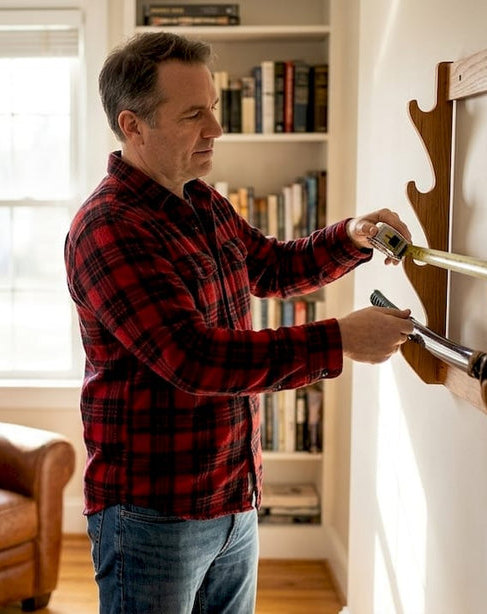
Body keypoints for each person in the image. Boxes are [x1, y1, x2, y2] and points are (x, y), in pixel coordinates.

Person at [64, 31, 415, 614]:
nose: (216, 130)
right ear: (133, 126)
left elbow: (274, 266)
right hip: (152, 514)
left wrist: (351, 237)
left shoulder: (202, 201)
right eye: (193, 114)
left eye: (215, 109)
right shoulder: (108, 228)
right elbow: (195, 360)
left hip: (233, 495)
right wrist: (340, 339)